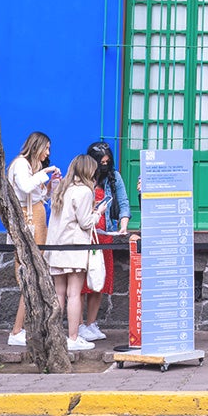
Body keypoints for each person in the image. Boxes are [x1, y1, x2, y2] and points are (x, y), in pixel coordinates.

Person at [47, 153, 108, 351]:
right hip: (74, 247)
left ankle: (55, 335)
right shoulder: (84, 191)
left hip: (56, 246)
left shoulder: (62, 188)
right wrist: (98, 212)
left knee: (58, 293)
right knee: (74, 294)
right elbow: (85, 222)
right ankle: (73, 337)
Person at [6, 131, 61, 347]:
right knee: (29, 274)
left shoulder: (30, 168)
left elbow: (38, 196)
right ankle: (17, 330)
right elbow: (25, 187)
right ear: (36, 147)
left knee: (35, 274)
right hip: (29, 220)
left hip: (36, 217)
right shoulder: (20, 164)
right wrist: (45, 172)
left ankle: (23, 328)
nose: (47, 153)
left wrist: (48, 186)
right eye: (46, 148)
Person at [79, 141, 130, 343]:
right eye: (101, 161)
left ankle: (91, 323)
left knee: (98, 280)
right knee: (82, 283)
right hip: (84, 236)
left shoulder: (114, 177)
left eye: (108, 161)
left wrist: (123, 224)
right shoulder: (82, 177)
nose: (104, 165)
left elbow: (124, 203)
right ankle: (79, 324)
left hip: (105, 234)